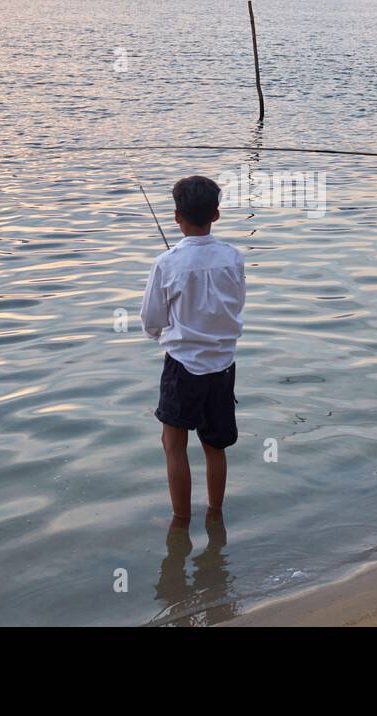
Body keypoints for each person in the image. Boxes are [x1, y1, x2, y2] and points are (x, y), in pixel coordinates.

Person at [140, 175, 246, 528]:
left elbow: (151, 320)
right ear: (215, 215)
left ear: (176, 217)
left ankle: (180, 521)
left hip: (182, 365)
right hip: (223, 365)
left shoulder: (166, 263)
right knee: (215, 446)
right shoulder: (233, 257)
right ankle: (215, 514)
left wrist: (166, 336)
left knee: (173, 443)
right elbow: (235, 307)